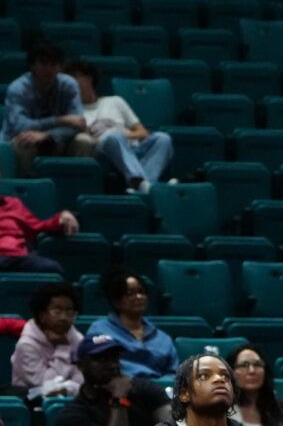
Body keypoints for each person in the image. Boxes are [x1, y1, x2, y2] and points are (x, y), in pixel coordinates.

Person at [68, 58, 171, 192]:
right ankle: (143, 183)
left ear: (89, 78)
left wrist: (125, 135)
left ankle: (143, 185)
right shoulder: (75, 112)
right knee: (113, 137)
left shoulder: (115, 101)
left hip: (132, 147)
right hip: (106, 150)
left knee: (163, 138)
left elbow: (142, 132)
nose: (71, 83)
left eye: (75, 77)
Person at [6, 44, 94, 174]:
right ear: (32, 66)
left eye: (54, 64)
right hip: (25, 140)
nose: (49, 69)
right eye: (43, 63)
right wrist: (59, 120)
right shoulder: (18, 88)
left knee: (84, 140)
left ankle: (74, 186)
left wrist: (47, 135)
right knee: (23, 142)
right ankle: (29, 189)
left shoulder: (69, 85)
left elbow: (79, 124)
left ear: (60, 67)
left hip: (58, 140)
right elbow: (18, 126)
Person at [87, 273, 176, 385]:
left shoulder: (162, 337)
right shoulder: (99, 330)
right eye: (130, 293)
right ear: (116, 301)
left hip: (157, 393)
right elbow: (95, 366)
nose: (138, 297)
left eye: (141, 292)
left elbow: (173, 373)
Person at [10, 281, 81, 402]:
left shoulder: (78, 339)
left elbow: (83, 380)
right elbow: (45, 386)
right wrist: (63, 348)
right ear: (42, 315)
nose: (64, 318)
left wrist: (68, 389)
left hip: (72, 402)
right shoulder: (26, 345)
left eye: (70, 312)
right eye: (57, 311)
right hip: (33, 406)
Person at [0, 189, 77, 272]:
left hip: (17, 257)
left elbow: (38, 226)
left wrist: (61, 219)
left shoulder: (13, 204)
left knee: (52, 268)